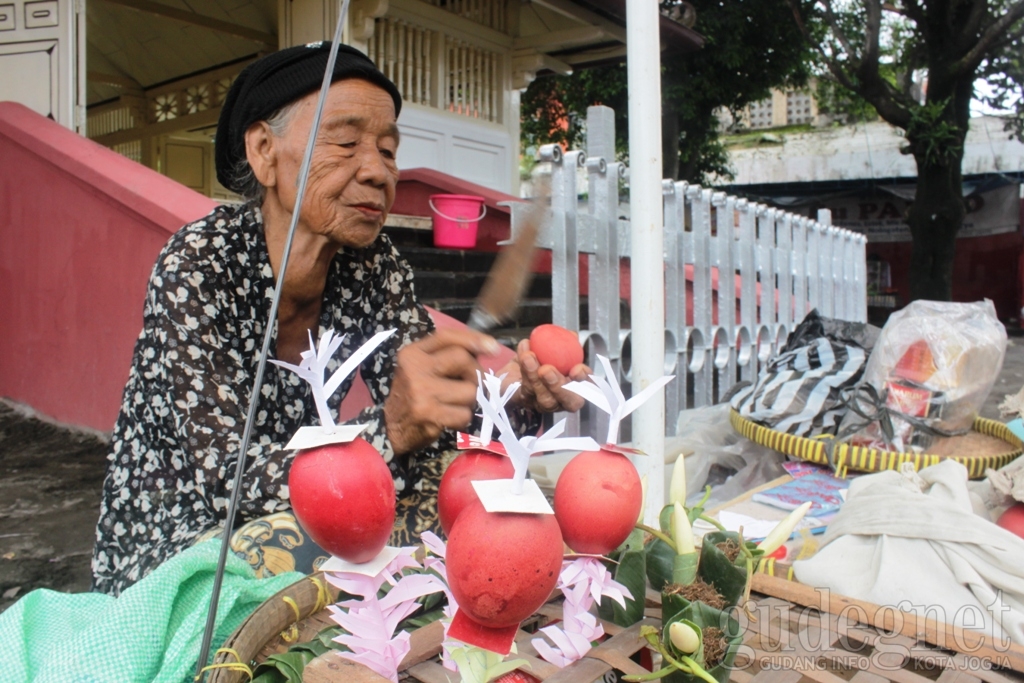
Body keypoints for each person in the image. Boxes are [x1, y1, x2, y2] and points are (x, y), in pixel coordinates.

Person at [91, 43, 588, 596]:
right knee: (308, 548)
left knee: (478, 496)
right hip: (183, 538)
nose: (376, 171)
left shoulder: (373, 266)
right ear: (263, 151)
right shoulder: (199, 264)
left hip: (316, 503)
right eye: (347, 142)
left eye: (388, 150)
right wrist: (393, 426)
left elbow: (435, 427)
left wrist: (511, 404)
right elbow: (230, 486)